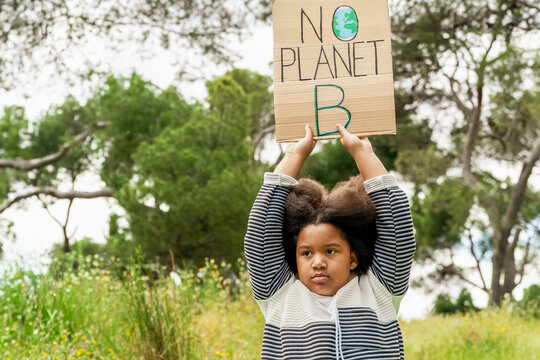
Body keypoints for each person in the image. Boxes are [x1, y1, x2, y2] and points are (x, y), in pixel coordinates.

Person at [244, 123, 416, 359]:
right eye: (306, 253)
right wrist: (294, 155)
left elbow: (399, 232)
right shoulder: (279, 295)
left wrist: (364, 154)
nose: (318, 262)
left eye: (331, 251)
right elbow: (259, 236)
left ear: (353, 258)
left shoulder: (380, 290)